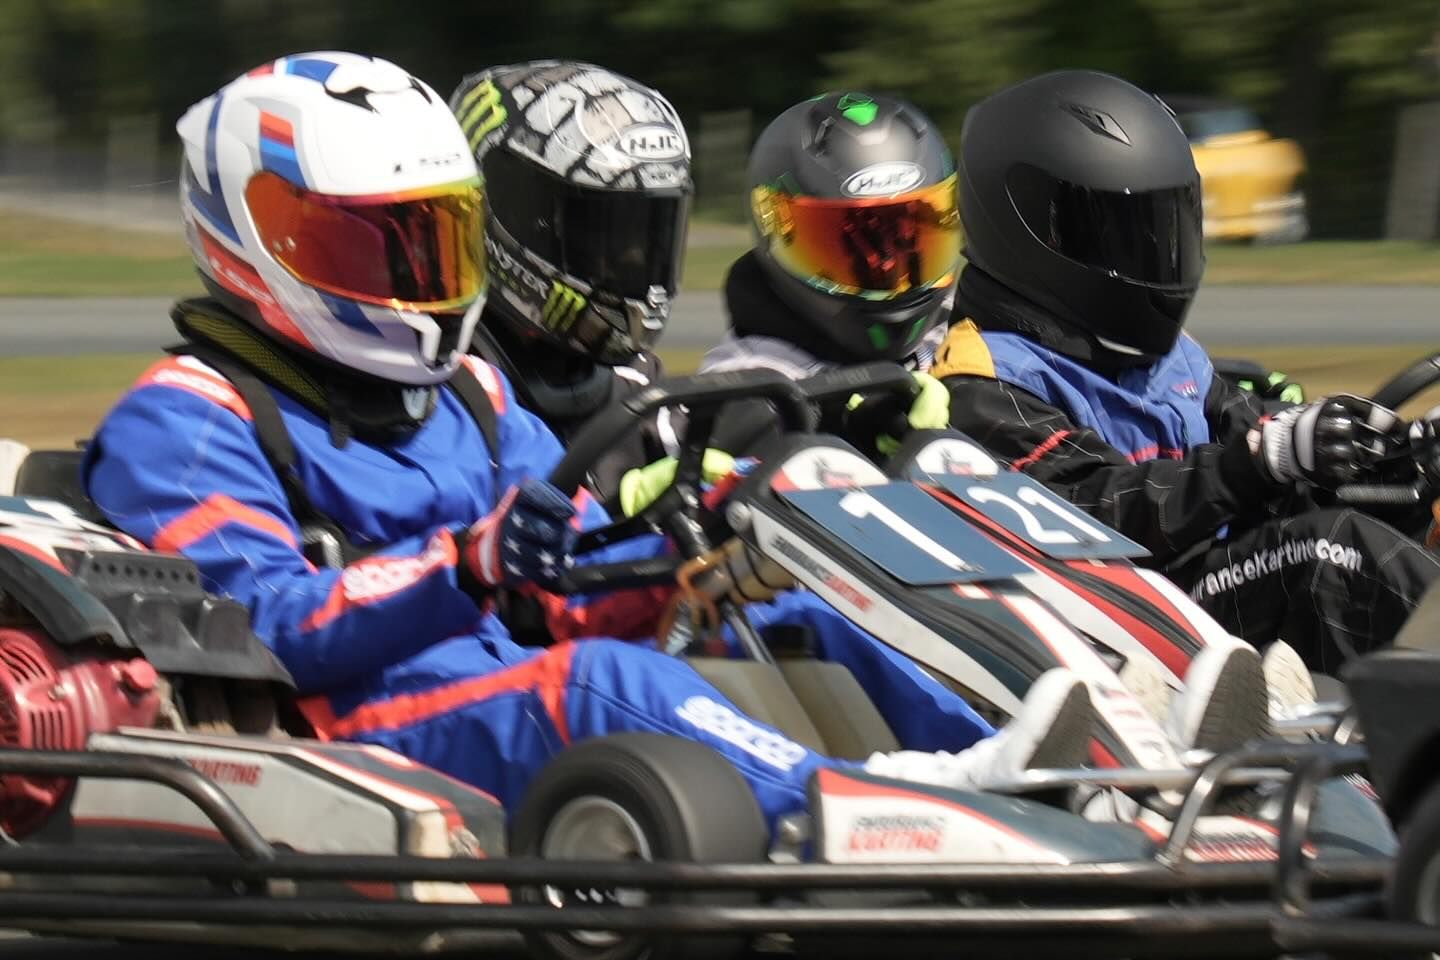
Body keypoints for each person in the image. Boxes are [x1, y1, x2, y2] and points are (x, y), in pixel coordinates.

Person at [79, 51, 1119, 833]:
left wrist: (692, 551)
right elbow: (262, 625)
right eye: (368, 242)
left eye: (432, 236)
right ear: (251, 237)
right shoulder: (187, 416)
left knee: (786, 606)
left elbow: (569, 559)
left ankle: (1034, 767)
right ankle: (885, 812)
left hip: (494, 675)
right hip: (347, 727)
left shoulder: (472, 392)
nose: (413, 276)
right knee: (598, 686)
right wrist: (466, 566)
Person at [930, 68, 1440, 674]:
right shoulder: (985, 382)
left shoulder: (1162, 358)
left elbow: (1266, 445)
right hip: (1118, 623)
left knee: (1383, 517)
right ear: (1034, 234)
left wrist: (1392, 463)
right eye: (1123, 235)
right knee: (1331, 552)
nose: (1153, 253)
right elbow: (1087, 515)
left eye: (1163, 226)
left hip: (1212, 590)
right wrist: (1254, 461)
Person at [447, 60, 695, 514]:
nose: (635, 260)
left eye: (649, 236)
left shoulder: (639, 382)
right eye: (609, 239)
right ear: (510, 215)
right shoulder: (443, 393)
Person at [695, 91, 957, 460]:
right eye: (840, 244)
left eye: (907, 238)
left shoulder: (958, 334)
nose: (885, 266)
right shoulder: (755, 381)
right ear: (775, 234)